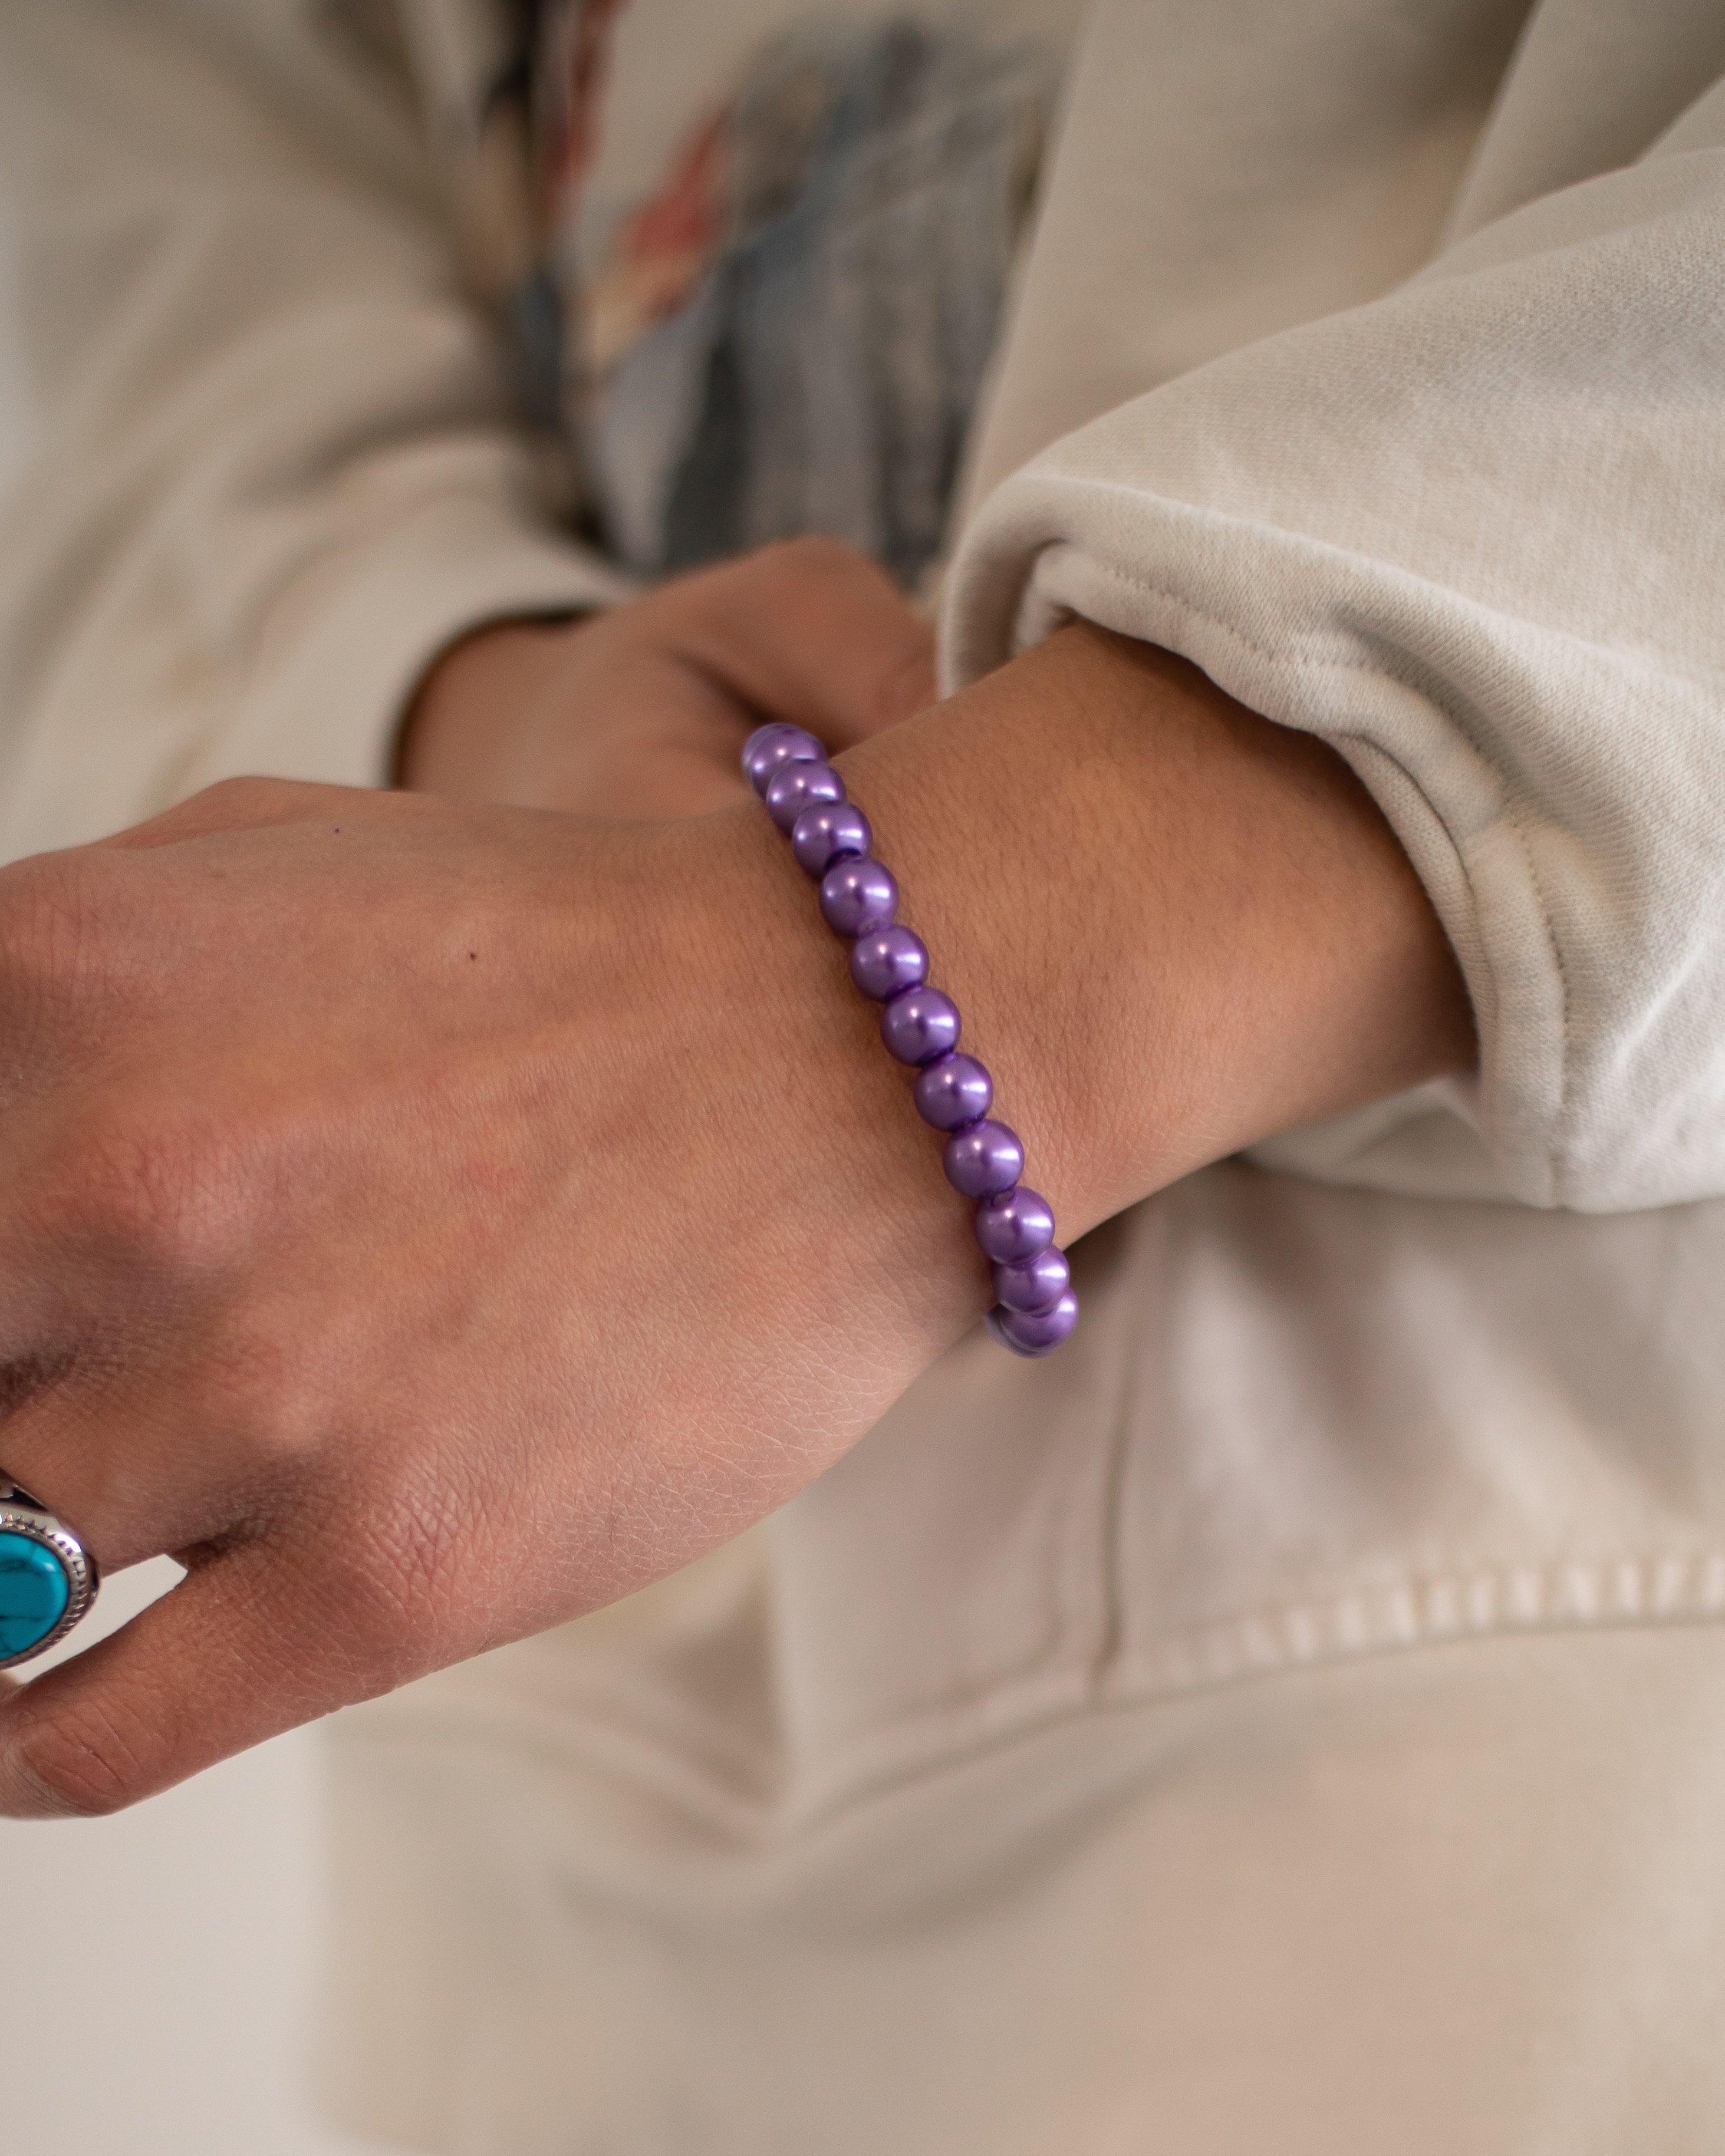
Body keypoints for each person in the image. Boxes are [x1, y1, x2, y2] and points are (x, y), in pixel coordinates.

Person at [2, 1, 1724, 2148]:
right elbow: (185, 146)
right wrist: (472, 705)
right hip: (537, 1768)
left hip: (1556, 1691)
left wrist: (925, 972)